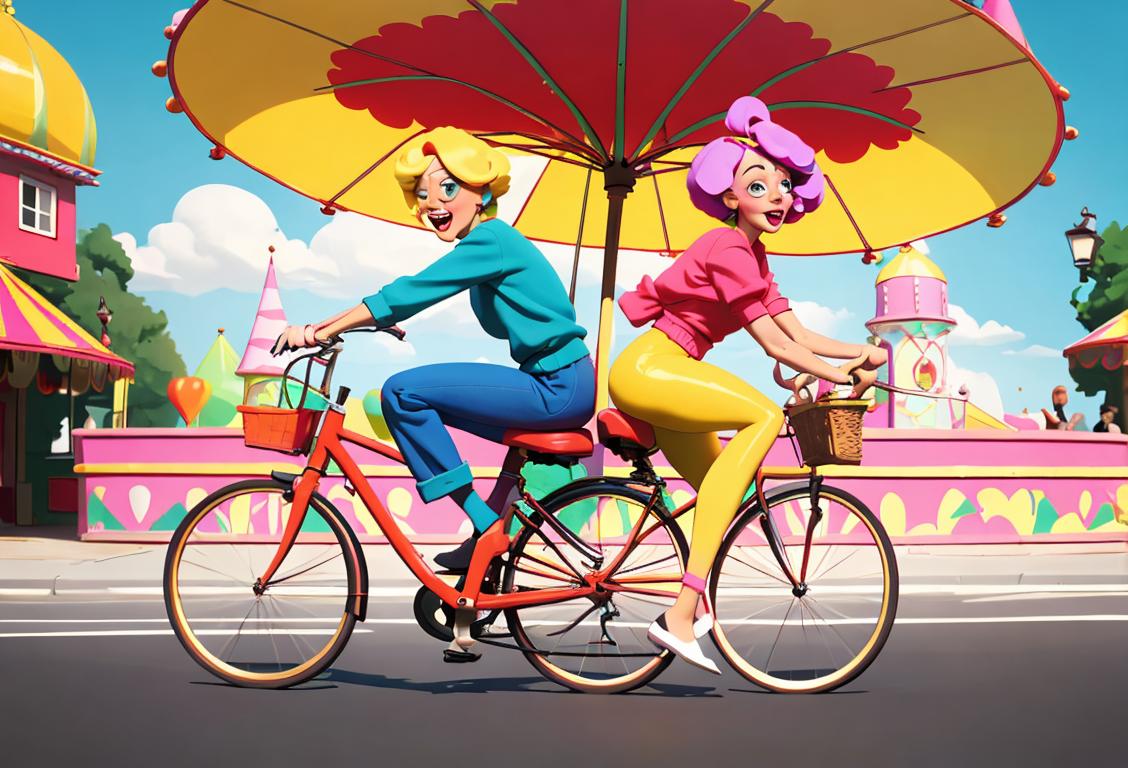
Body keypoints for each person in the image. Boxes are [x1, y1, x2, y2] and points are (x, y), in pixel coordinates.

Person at [609, 96, 885, 674]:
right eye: (759, 186)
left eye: (785, 185)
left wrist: (859, 351)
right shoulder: (728, 246)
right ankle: (680, 615)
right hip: (652, 367)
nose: (778, 195)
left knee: (721, 490)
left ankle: (686, 602)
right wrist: (842, 374)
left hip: (671, 370)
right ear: (730, 197)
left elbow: (799, 331)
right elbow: (777, 346)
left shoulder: (754, 257)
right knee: (762, 416)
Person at [273, 127, 594, 572]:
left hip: (556, 385)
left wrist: (318, 330)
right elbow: (419, 298)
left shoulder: (492, 240)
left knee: (403, 393)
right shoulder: (487, 246)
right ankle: (487, 536)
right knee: (427, 399)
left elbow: (414, 291)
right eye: (422, 194)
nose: (432, 204)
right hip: (555, 379)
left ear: (481, 192)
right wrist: (385, 320)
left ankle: (485, 524)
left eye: (448, 187)